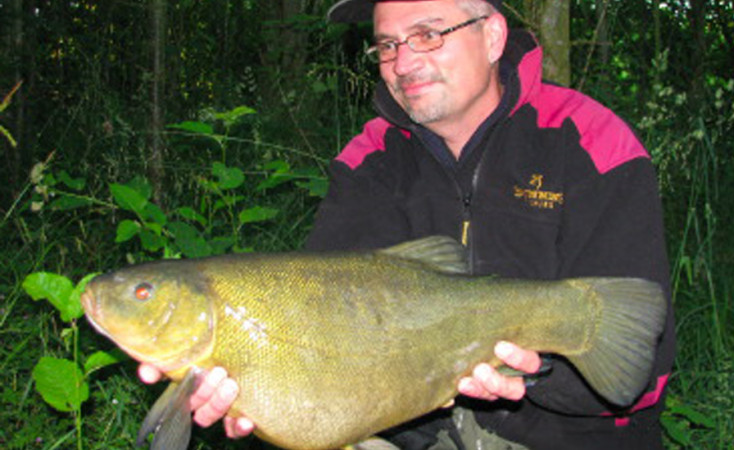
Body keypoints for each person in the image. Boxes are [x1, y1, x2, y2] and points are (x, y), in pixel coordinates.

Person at [139, 0, 676, 448]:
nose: (403, 62)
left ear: (492, 36)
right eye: (388, 45)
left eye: (428, 35)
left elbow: (642, 376)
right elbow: (327, 336)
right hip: (425, 435)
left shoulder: (593, 141)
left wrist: (532, 372)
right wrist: (256, 390)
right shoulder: (370, 159)